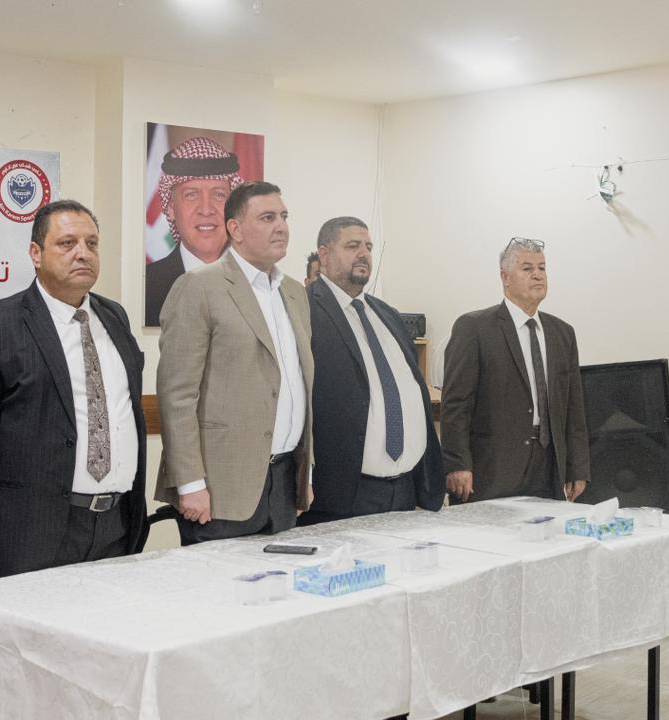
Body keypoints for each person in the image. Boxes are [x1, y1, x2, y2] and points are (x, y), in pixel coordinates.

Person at [0, 200, 147, 580]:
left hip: (117, 526)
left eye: (92, 244)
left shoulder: (114, 317)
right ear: (36, 253)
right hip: (33, 531)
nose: (83, 253)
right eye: (67, 243)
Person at [156, 181, 313, 544]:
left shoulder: (294, 292)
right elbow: (177, 394)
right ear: (235, 229)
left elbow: (299, 386)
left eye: (284, 216)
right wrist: (190, 483)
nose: (281, 226)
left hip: (283, 485)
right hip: (218, 489)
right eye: (268, 218)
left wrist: (305, 476)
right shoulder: (199, 287)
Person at [301, 217, 444, 525]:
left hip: (403, 491)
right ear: (324, 255)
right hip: (339, 495)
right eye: (352, 246)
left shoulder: (386, 315)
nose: (363, 254)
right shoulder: (304, 310)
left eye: (368, 247)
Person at [440, 237, 590, 503]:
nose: (537, 275)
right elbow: (456, 404)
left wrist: (577, 467)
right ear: (505, 277)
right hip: (492, 468)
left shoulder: (562, 333)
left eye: (542, 268)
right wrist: (457, 463)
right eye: (527, 268)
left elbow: (573, 407)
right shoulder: (474, 328)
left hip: (548, 465)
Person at [144, 136, 243, 326]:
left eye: (218, 195)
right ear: (171, 209)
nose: (206, 209)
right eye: (191, 195)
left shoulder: (255, 283)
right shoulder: (147, 284)